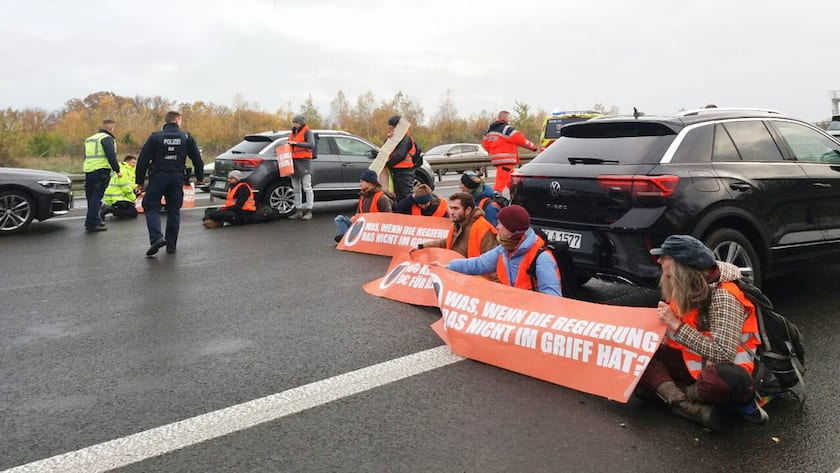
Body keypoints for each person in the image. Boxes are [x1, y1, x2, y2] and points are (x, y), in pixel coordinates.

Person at [637, 235, 767, 431]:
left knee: (714, 385)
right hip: (695, 363)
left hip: (729, 373)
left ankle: (672, 394)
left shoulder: (724, 295)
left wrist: (676, 326)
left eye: (665, 258)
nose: (659, 261)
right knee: (638, 356)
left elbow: (723, 353)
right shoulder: (684, 287)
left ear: (682, 266)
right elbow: (675, 338)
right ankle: (685, 405)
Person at [443, 204, 561, 296]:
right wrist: (448, 267)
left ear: (512, 230)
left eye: (500, 224)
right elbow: (478, 264)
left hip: (530, 316)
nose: (497, 227)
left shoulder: (542, 258)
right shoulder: (503, 249)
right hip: (512, 311)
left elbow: (552, 298)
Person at [136, 111, 204, 256]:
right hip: (177, 177)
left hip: (158, 177)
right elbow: (197, 159)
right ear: (177, 120)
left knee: (150, 205)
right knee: (174, 210)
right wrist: (200, 177)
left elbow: (143, 160)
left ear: (166, 122)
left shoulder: (155, 137)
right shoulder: (186, 137)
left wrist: (139, 182)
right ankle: (171, 245)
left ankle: (157, 238)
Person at [419, 192, 497, 259]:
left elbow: (492, 261)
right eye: (451, 208)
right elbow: (447, 242)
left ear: (468, 210)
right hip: (458, 273)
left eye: (456, 208)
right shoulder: (458, 224)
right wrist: (422, 246)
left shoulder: (483, 229)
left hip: (474, 275)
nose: (452, 212)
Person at [482, 110, 537, 194]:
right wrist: (533, 147)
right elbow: (520, 140)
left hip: (497, 160)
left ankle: (517, 198)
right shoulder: (506, 129)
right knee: (500, 185)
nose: (509, 120)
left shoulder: (489, 131)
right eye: (509, 118)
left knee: (511, 183)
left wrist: (494, 152)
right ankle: (494, 200)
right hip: (506, 161)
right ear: (505, 118)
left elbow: (485, 144)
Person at [83, 119, 122, 232]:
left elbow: (86, 155)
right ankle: (91, 223)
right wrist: (117, 170)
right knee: (96, 196)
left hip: (89, 169)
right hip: (101, 171)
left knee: (91, 197)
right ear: (111, 128)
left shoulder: (90, 139)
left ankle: (95, 219)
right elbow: (111, 155)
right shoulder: (106, 138)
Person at [334, 169, 393, 242]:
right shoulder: (362, 197)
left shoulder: (381, 198)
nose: (360, 184)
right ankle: (345, 236)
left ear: (370, 183)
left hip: (373, 228)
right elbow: (358, 214)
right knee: (339, 218)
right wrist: (355, 218)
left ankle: (346, 237)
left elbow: (389, 218)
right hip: (362, 225)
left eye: (362, 182)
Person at [287, 114, 315, 221]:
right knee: (296, 188)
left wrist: (296, 143)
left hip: (304, 161)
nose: (295, 124)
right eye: (293, 122)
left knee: (307, 187)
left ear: (301, 123)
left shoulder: (308, 132)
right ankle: (298, 210)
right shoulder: (292, 132)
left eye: (296, 122)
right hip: (293, 162)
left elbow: (311, 144)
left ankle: (309, 210)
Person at [385, 114, 417, 202]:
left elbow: (400, 155)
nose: (390, 131)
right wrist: (388, 140)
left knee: (405, 197)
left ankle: (407, 215)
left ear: (398, 128)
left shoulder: (406, 138)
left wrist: (386, 163)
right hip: (398, 171)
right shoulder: (396, 138)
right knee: (399, 197)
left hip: (405, 172)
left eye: (391, 129)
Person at [100, 155, 139, 219]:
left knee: (131, 211)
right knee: (133, 213)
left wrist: (136, 187)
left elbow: (131, 184)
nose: (134, 165)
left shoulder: (127, 170)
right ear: (127, 162)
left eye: (135, 163)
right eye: (132, 163)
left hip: (117, 196)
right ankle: (109, 209)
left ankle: (116, 209)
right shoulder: (124, 171)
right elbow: (126, 187)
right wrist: (133, 198)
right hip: (117, 197)